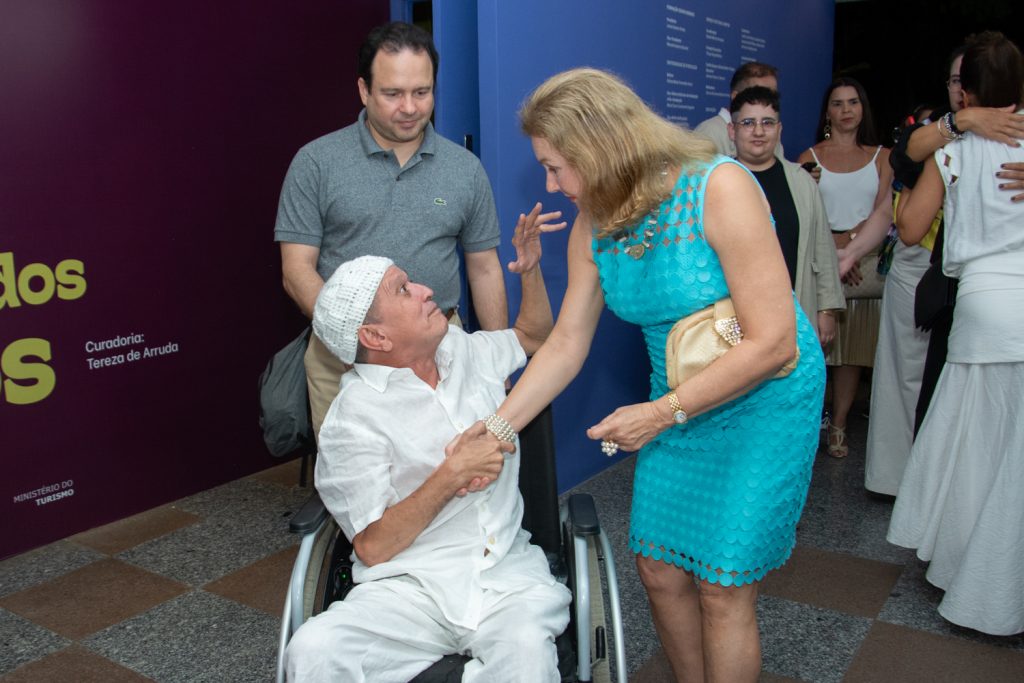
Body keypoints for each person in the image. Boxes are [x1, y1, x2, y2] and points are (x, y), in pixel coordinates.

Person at [487, 68, 824, 683]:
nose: (550, 183)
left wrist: (661, 412)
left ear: (602, 148)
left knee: (722, 584)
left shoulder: (719, 188)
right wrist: (496, 430)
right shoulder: (593, 223)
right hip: (677, 399)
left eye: (557, 166)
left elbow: (774, 342)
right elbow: (565, 343)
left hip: (764, 396)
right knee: (660, 568)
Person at [284, 204, 571, 681]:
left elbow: (532, 337)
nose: (426, 289)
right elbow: (374, 547)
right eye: (404, 289)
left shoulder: (461, 349)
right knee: (314, 650)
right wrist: (451, 475)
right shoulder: (352, 420)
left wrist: (531, 270)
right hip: (409, 588)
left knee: (525, 655)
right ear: (374, 335)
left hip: (505, 576)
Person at [274, 21, 508, 437]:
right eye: (393, 93)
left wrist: (498, 360)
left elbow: (485, 268)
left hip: (442, 350)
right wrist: (355, 338)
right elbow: (296, 271)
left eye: (422, 92)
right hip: (344, 356)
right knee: (355, 486)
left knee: (450, 477)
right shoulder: (316, 163)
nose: (410, 107)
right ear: (364, 90)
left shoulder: (465, 170)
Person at [887, 31, 1024, 636]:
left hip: (983, 305)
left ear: (966, 90)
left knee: (978, 449)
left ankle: (970, 571)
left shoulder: (953, 151)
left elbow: (913, 229)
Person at [797, 77, 893, 458]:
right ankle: (811, 422)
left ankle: (839, 424)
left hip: (863, 266)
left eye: (854, 102)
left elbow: (885, 211)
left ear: (863, 108)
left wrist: (851, 251)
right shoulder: (809, 156)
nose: (847, 109)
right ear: (827, 112)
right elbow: (804, 210)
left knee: (852, 352)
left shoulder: (882, 156)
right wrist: (836, 253)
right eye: (838, 103)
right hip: (821, 263)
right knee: (816, 349)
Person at [728, 86, 845, 347]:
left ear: (779, 130)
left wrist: (826, 310)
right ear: (732, 131)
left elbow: (822, 248)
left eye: (767, 123)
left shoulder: (802, 182)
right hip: (732, 315)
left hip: (794, 312)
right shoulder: (715, 181)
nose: (758, 131)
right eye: (748, 123)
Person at [694, 61, 785, 160]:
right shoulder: (708, 134)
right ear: (735, 97)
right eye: (758, 94)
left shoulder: (770, 132)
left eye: (773, 96)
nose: (759, 133)